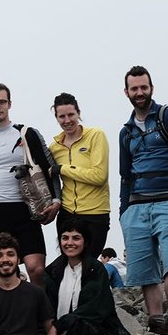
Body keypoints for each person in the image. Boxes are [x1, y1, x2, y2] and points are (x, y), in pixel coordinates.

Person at [0, 83, 61, 288]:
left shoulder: (27, 133)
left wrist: (56, 200)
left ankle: (41, 317)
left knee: (36, 268)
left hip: (25, 209)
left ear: (9, 104)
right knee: (0, 273)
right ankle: (7, 318)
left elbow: (48, 167)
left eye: (1, 101)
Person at [119, 65, 168, 335]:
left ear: (151, 88)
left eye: (143, 87)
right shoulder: (126, 132)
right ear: (127, 92)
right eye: (134, 88)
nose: (139, 92)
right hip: (136, 205)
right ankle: (157, 322)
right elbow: (125, 174)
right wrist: (123, 211)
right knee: (145, 267)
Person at [44, 220, 137, 335]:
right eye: (65, 238)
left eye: (76, 238)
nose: (70, 243)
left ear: (85, 242)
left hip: (90, 331)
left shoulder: (96, 269)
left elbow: (97, 308)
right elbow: (45, 306)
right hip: (55, 332)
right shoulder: (52, 271)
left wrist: (62, 325)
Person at [49, 92, 111, 260]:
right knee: (69, 266)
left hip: (95, 213)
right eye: (61, 116)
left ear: (79, 113)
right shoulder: (54, 147)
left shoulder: (96, 136)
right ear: (56, 117)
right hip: (67, 214)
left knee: (88, 265)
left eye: (71, 114)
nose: (67, 120)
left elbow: (99, 176)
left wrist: (63, 169)